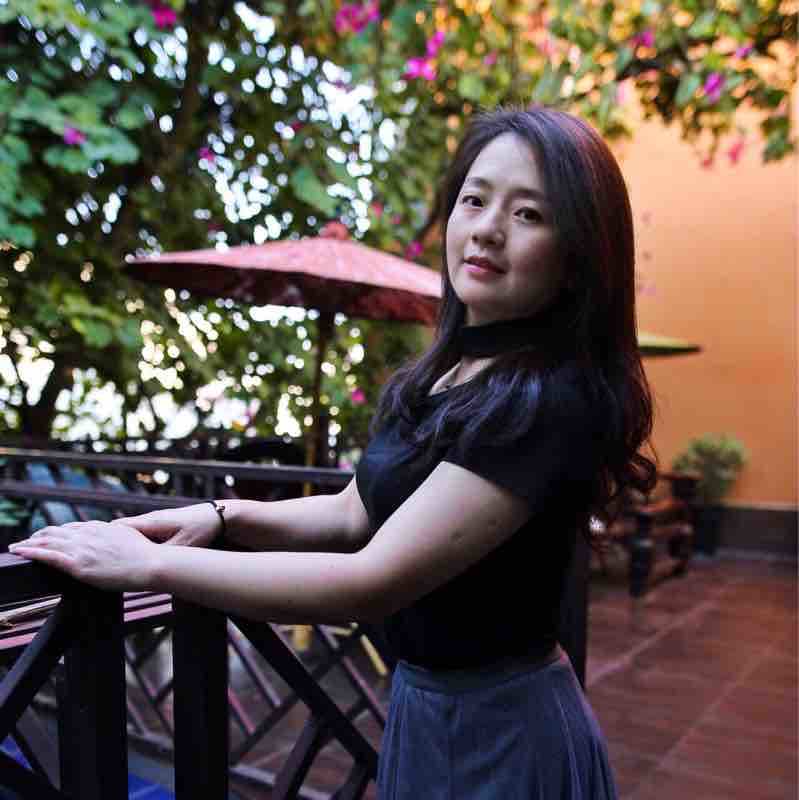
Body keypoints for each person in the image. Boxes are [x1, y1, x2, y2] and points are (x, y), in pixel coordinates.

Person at [10, 105, 656, 798]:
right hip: (423, 704)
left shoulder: (547, 403)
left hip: (502, 728)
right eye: (474, 199)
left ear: (577, 257)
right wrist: (225, 517)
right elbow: (354, 511)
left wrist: (153, 566)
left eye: (528, 214)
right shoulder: (447, 373)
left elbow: (371, 579)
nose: (487, 229)